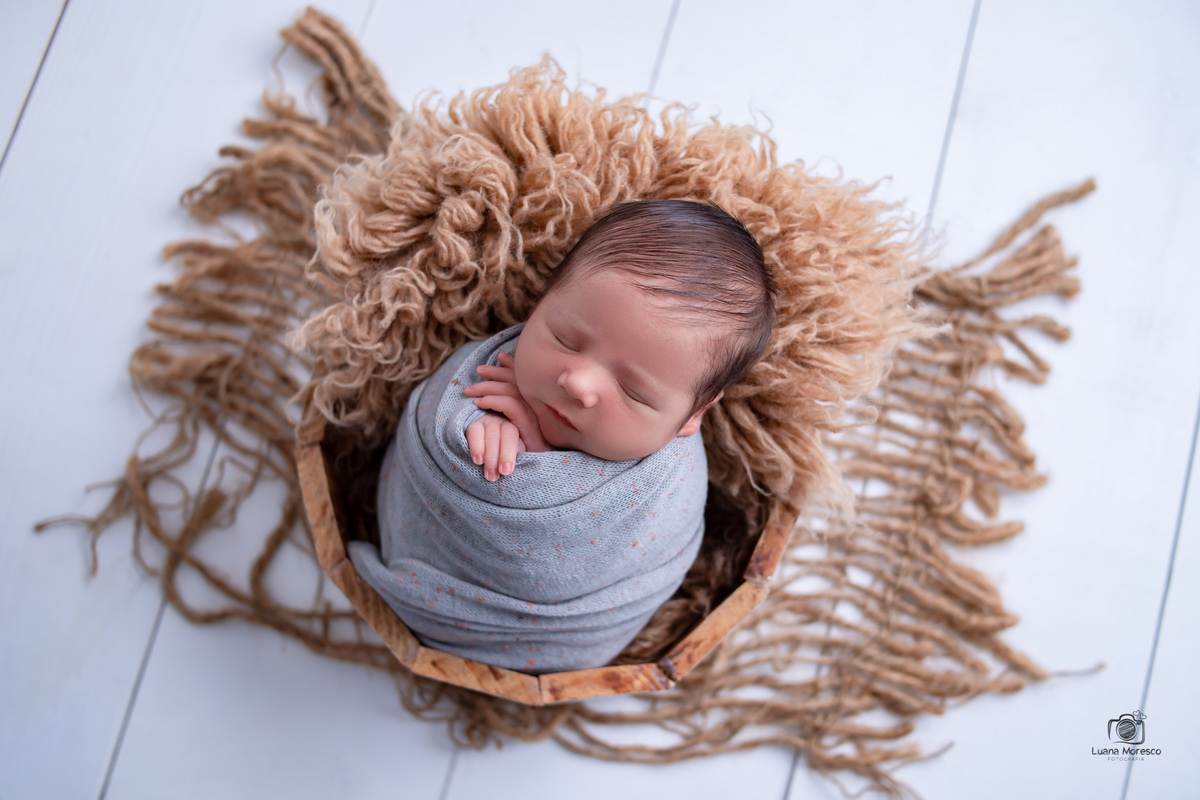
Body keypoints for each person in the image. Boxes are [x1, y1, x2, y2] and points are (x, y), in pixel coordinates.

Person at [349, 200, 777, 673]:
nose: (577, 383)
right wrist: (475, 427)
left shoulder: (670, 479)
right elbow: (434, 415)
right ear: (541, 302)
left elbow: (583, 558)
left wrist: (534, 452)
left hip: (566, 636)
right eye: (566, 339)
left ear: (693, 414)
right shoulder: (489, 368)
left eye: (633, 391)